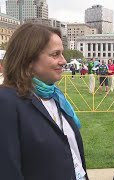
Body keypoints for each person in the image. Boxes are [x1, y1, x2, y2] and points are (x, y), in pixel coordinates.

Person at [0, 23, 87, 180]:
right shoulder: (6, 101)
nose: (63, 61)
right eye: (55, 54)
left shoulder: (55, 97)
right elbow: (8, 170)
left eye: (62, 54)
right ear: (28, 59)